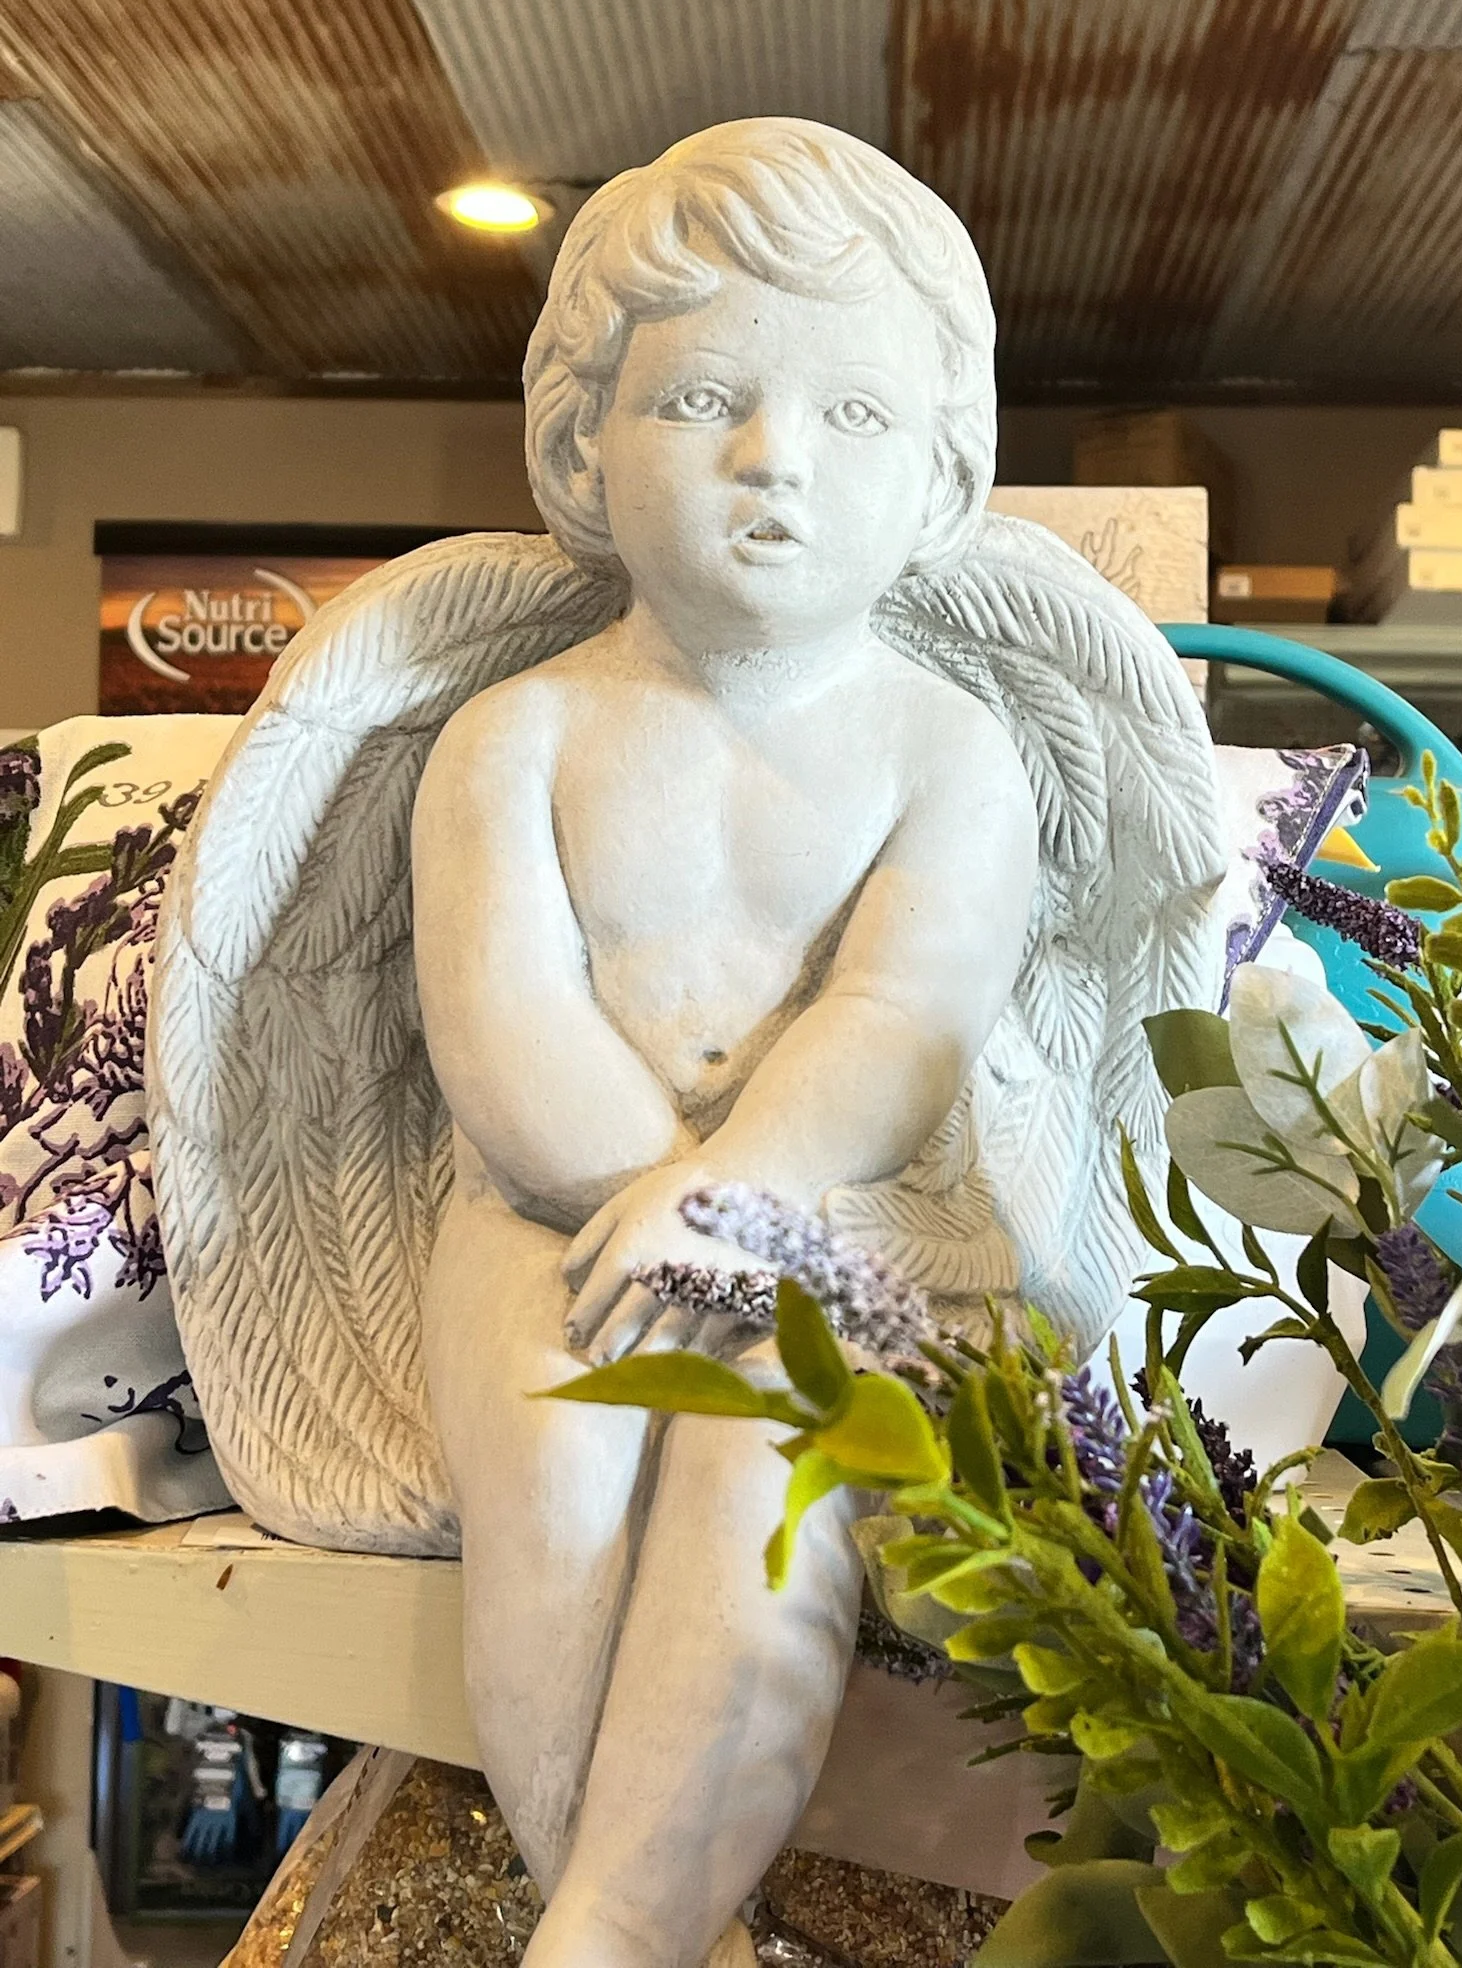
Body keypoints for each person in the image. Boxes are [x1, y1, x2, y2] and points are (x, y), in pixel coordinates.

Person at [409, 118, 1037, 1968]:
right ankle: (634, 1930)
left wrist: (742, 1199)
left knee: (770, 1474)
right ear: (579, 445)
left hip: (831, 1225)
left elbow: (902, 1014)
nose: (773, 459)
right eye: (702, 398)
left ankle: (602, 1943)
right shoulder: (510, 739)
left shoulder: (949, 750)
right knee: (557, 1471)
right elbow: (501, 1019)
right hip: (550, 1219)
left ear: (943, 474)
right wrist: (649, 1204)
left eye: (852, 416)